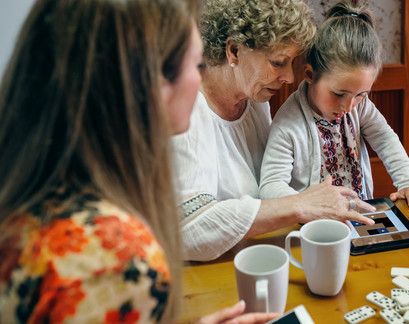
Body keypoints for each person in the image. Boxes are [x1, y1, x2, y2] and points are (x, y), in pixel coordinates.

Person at [0, 0, 275, 323]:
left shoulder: (34, 206)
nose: (201, 78)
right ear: (152, 84)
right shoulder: (118, 260)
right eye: (198, 63)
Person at [172, 0, 376, 262]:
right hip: (206, 273)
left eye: (292, 63)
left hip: (256, 255)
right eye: (279, 62)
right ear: (234, 50)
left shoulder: (256, 104)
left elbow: (269, 190)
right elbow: (188, 231)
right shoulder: (184, 113)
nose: (290, 78)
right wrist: (299, 204)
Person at [258, 1, 409, 210]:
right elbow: (270, 186)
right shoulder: (288, 124)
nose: (349, 106)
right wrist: (308, 206)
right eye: (339, 93)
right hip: (315, 229)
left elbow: (385, 138)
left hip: (360, 214)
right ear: (310, 75)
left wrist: (407, 181)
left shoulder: (360, 107)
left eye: (361, 94)